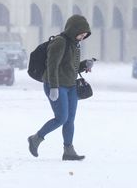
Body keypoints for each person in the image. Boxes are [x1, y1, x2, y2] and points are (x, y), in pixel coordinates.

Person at [27, 14, 94, 161]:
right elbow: (52, 66)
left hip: (70, 86)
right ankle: (36, 138)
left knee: (70, 119)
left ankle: (68, 151)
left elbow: (71, 67)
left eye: (85, 35)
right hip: (56, 85)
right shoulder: (60, 42)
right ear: (73, 30)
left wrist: (85, 64)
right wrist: (54, 87)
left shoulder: (74, 44)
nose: (82, 37)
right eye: (81, 34)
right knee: (61, 118)